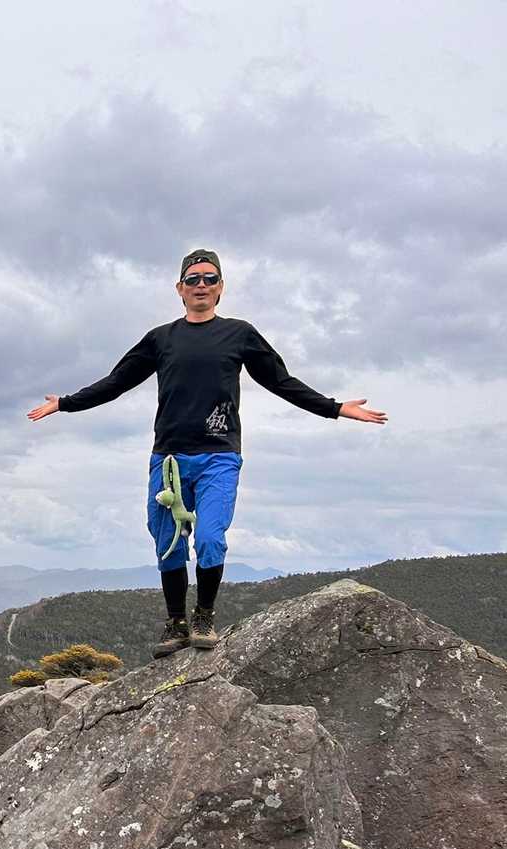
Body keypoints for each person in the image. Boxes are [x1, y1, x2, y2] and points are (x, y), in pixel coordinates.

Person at [28, 249, 387, 658]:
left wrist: (335, 408)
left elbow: (281, 382)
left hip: (219, 455)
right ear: (180, 289)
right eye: (193, 279)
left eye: (210, 279)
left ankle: (203, 616)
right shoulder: (161, 339)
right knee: (168, 544)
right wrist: (66, 403)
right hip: (169, 459)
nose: (201, 285)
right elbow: (117, 382)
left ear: (221, 288)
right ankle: (176, 622)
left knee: (211, 538)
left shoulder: (240, 334)